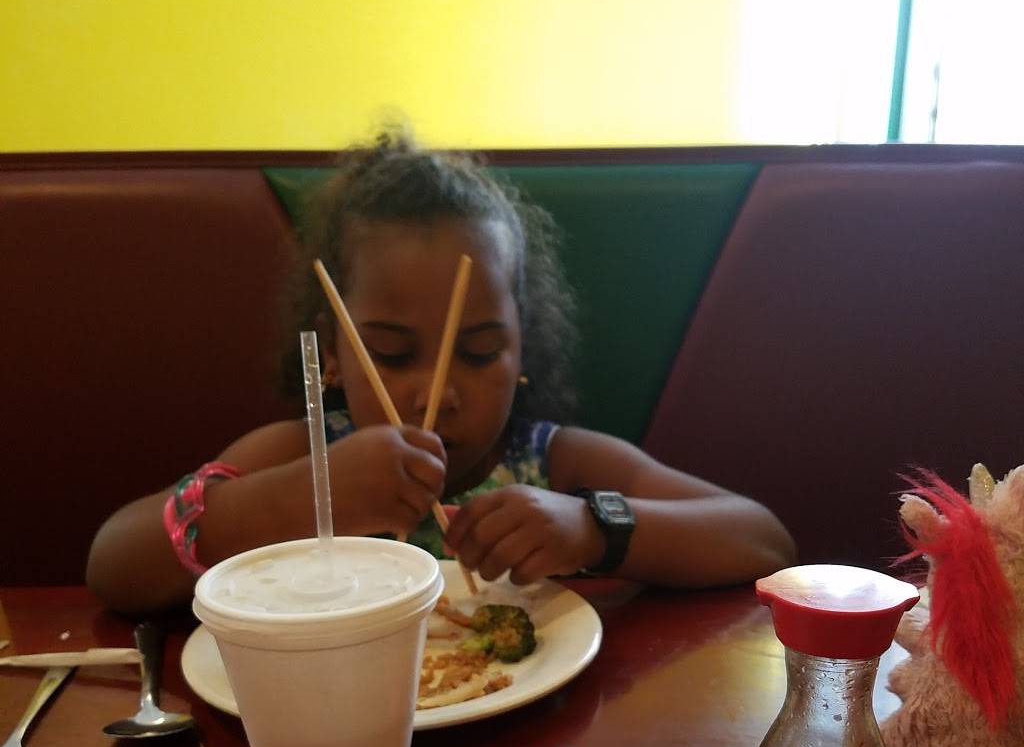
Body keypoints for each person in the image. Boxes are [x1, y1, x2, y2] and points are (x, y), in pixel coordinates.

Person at [86, 130, 795, 614]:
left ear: (523, 351)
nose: (437, 392)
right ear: (331, 352)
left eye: (479, 350)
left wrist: (591, 528)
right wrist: (298, 499)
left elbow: (763, 541)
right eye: (391, 354)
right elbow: (114, 567)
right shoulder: (300, 454)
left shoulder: (554, 465)